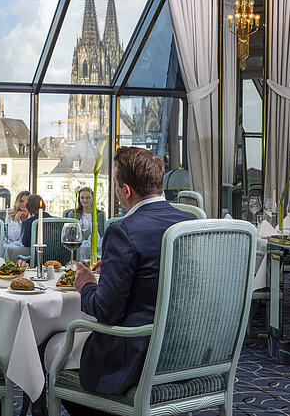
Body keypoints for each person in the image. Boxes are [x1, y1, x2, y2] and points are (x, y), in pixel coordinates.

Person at [50, 147, 196, 416]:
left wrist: (86, 285)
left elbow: (106, 311)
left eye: (115, 185)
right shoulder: (190, 222)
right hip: (190, 353)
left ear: (125, 190)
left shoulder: (123, 230)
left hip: (137, 356)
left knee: (52, 348)